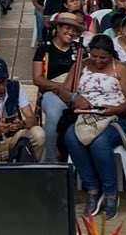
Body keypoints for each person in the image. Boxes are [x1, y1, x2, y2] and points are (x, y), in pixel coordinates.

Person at [64, 35, 126, 221]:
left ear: (110, 55)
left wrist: (116, 109)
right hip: (88, 118)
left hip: (116, 119)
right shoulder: (81, 65)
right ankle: (93, 189)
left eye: (103, 57)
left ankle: (111, 193)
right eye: (94, 56)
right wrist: (75, 98)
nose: (97, 61)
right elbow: (63, 90)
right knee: (70, 137)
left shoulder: (120, 68)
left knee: (100, 144)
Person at [32, 11, 83, 163]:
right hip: (52, 93)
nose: (70, 32)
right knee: (54, 116)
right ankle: (51, 160)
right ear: (58, 28)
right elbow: (37, 79)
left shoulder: (79, 50)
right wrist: (61, 87)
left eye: (74, 30)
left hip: (75, 93)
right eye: (67, 28)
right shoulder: (44, 50)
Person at [0, 56, 45, 163]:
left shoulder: (15, 87)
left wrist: (22, 124)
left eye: (4, 82)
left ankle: (34, 169)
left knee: (39, 134)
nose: (2, 87)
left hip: (14, 137)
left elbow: (32, 120)